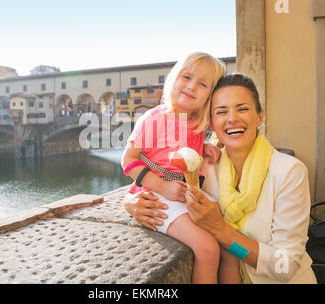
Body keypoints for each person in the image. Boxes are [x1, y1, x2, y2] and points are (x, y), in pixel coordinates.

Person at [124, 72, 317, 284]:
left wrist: (220, 231)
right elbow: (160, 178)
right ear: (212, 123)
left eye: (243, 109)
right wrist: (132, 203)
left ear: (260, 117)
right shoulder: (204, 167)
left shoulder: (289, 172)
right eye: (221, 112)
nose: (232, 118)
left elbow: (285, 266)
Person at [121, 52, 240, 284]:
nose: (192, 86)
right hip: (158, 195)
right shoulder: (154, 118)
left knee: (231, 250)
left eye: (203, 84)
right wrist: (161, 186)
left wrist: (203, 147)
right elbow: (129, 160)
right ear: (174, 78)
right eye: (186, 77)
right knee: (207, 249)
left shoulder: (196, 123)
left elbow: (180, 150)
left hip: (181, 195)